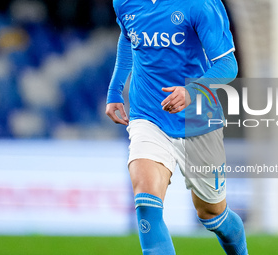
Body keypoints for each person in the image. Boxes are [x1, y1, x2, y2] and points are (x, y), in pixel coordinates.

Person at [106, 0, 249, 254]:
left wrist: (192, 91)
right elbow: (128, 37)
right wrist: (115, 89)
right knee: (146, 204)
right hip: (149, 115)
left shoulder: (200, 5)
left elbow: (228, 65)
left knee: (213, 216)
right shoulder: (124, 2)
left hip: (198, 118)